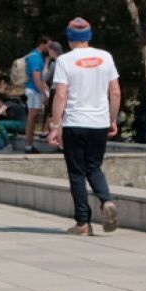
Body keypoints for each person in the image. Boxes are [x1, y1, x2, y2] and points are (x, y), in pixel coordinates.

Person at [46, 17, 120, 235]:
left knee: (77, 173)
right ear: (89, 36)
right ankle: (106, 200)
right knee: (94, 167)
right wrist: (112, 119)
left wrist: (55, 126)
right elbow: (115, 91)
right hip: (99, 122)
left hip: (75, 123)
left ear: (69, 38)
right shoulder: (105, 57)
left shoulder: (65, 61)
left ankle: (83, 223)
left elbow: (61, 94)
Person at [20, 37, 55, 151]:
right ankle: (28, 146)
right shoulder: (35, 57)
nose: (49, 48)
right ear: (42, 44)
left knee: (34, 117)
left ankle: (29, 145)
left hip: (34, 90)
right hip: (34, 90)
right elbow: (36, 77)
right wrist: (43, 94)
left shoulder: (37, 56)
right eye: (48, 45)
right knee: (32, 117)